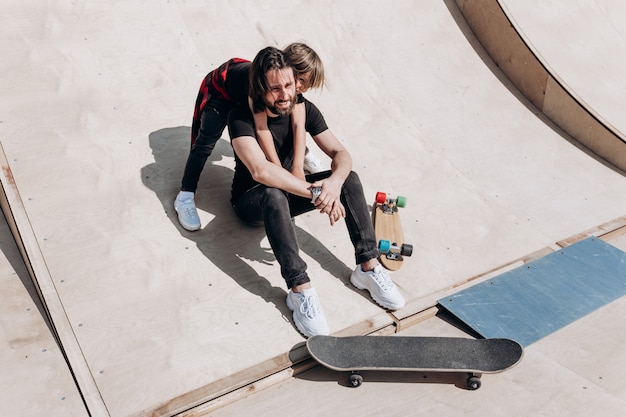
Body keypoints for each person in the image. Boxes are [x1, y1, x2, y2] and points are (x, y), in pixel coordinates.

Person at [228, 46, 405, 337]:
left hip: (294, 190)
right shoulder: (241, 115)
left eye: (288, 85)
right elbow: (262, 171)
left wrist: (332, 184)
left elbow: (341, 153)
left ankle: (368, 265)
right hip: (253, 200)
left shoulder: (302, 107)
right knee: (273, 193)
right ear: (260, 87)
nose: (284, 94)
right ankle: (300, 289)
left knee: (349, 178)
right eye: (274, 88)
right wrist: (315, 193)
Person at [174, 44, 324, 231]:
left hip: (248, 93)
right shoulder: (260, 86)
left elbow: (297, 124)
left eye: (306, 85)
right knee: (205, 143)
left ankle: (305, 154)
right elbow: (262, 130)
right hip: (222, 95)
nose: (302, 88)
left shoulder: (286, 84)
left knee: (282, 118)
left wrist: (297, 164)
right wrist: (281, 175)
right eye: (301, 81)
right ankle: (184, 196)